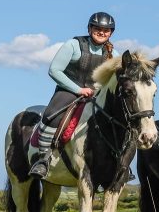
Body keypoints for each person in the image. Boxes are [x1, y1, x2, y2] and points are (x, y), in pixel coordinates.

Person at [28, 12, 117, 179]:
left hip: (96, 95)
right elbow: (54, 70)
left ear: (111, 33)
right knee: (51, 115)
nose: (102, 32)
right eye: (98, 28)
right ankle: (43, 159)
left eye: (106, 30)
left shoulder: (114, 54)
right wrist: (78, 89)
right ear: (90, 28)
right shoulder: (74, 45)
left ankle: (119, 162)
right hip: (69, 90)